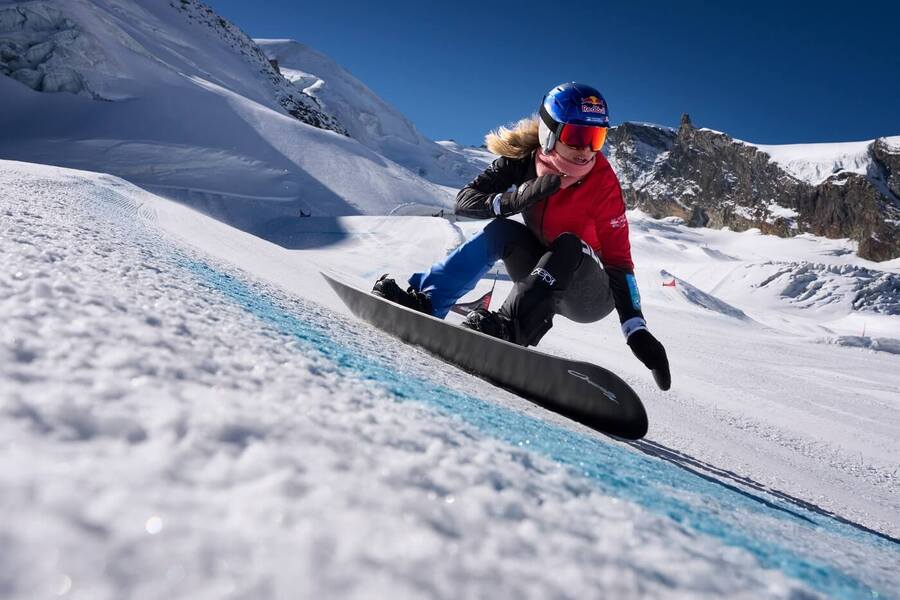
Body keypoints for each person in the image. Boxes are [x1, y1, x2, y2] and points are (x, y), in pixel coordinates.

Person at [373, 82, 671, 390]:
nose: (586, 150)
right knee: (502, 231)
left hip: (590, 293)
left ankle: (509, 328)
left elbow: (619, 261)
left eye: (596, 138)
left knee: (569, 243)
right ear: (550, 133)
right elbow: (465, 201)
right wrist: (515, 200)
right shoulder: (525, 160)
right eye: (577, 136)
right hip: (540, 269)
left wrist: (635, 328)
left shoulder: (602, 183)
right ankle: (429, 301)